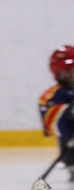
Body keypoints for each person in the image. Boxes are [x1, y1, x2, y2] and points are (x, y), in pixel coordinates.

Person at [38, 45, 74, 181]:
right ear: (59, 72)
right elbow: (52, 126)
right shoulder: (52, 95)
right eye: (70, 70)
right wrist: (69, 112)